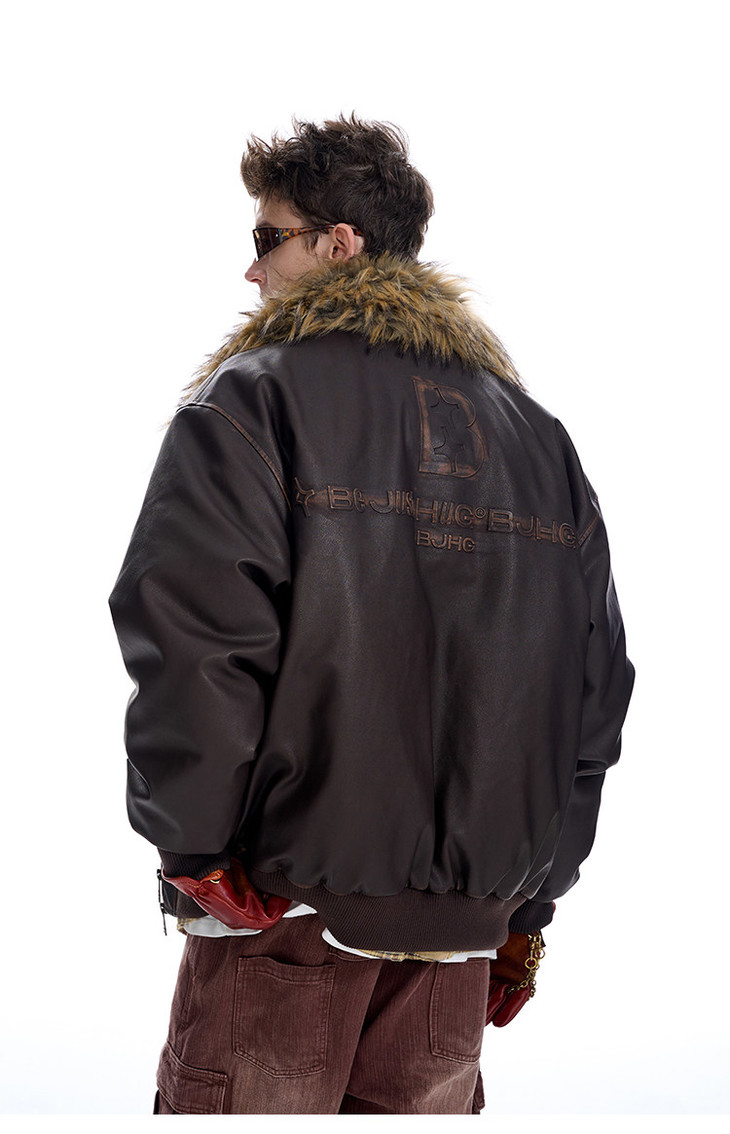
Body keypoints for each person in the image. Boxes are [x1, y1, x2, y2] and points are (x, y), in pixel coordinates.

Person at [107, 114, 635, 1115]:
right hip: (462, 945)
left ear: (338, 243)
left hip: (279, 912)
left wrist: (194, 852)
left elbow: (194, 646)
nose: (252, 269)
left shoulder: (250, 403)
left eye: (269, 237)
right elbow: (592, 691)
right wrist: (526, 905)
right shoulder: (537, 437)